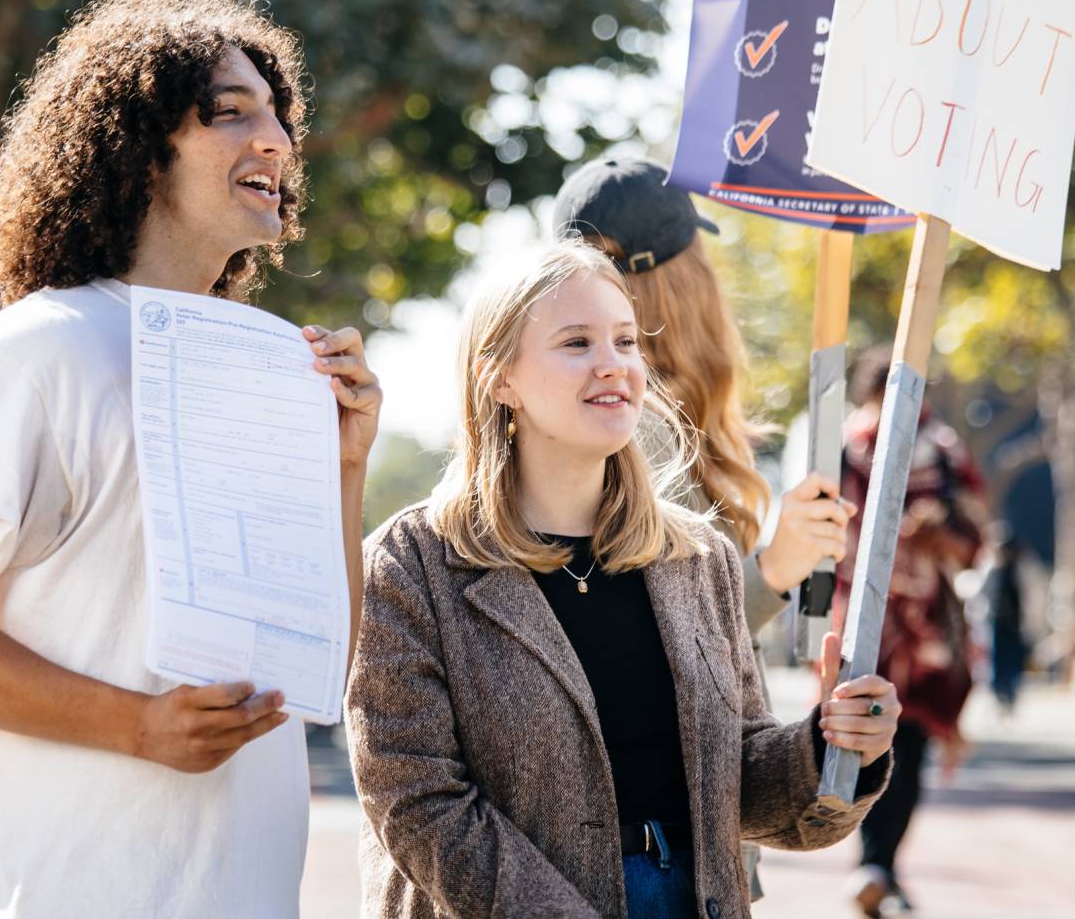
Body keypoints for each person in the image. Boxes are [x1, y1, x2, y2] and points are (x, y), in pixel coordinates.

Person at [0, 0, 381, 915]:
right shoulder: (35, 352)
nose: (276, 141)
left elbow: (317, 669)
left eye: (280, 116)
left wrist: (344, 467)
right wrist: (136, 727)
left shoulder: (264, 370)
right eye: (230, 113)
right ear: (140, 151)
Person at [345, 241, 896, 919]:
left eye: (626, 341)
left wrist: (832, 747)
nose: (615, 364)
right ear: (499, 379)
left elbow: (739, 784)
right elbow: (418, 802)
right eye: (576, 342)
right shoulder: (410, 564)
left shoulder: (700, 557)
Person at [553, 156, 856, 902]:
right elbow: (653, 632)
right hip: (652, 858)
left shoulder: (634, 423)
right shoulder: (634, 434)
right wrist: (775, 568)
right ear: (680, 279)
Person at [835, 348, 987, 918]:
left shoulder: (944, 452)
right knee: (856, 737)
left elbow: (973, 539)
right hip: (860, 627)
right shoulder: (842, 447)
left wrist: (935, 534)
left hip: (925, 631)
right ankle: (874, 865)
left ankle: (881, 866)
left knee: (911, 742)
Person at [981, 529, 1028, 714]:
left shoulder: (1022, 570)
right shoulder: (993, 570)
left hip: (1016, 625)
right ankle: (1000, 693)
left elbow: (1030, 598)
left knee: (1014, 660)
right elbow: (982, 592)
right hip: (998, 622)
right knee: (998, 659)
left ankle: (1011, 693)